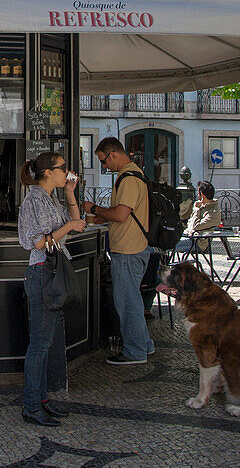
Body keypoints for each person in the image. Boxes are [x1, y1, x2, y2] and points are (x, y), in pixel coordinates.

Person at [17, 151, 85, 426]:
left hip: (51, 272)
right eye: (62, 168)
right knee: (40, 344)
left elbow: (76, 224)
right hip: (42, 271)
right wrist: (69, 224)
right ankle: (32, 405)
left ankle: (41, 401)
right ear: (48, 172)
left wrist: (70, 194)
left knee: (45, 343)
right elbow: (38, 242)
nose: (66, 171)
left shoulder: (50, 198)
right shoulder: (34, 199)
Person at [83, 138, 154, 366]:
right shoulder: (132, 175)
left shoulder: (129, 178)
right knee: (131, 299)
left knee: (127, 302)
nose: (104, 166)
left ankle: (135, 351)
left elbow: (122, 214)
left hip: (129, 248)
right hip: (133, 247)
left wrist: (93, 209)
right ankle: (144, 344)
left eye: (104, 161)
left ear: (112, 154)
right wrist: (103, 215)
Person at [175, 181, 221, 255]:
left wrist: (196, 209)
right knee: (164, 242)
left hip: (198, 242)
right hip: (189, 236)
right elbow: (190, 223)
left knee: (168, 245)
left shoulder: (213, 212)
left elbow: (195, 226)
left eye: (198, 193)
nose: (197, 195)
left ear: (202, 195)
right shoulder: (203, 206)